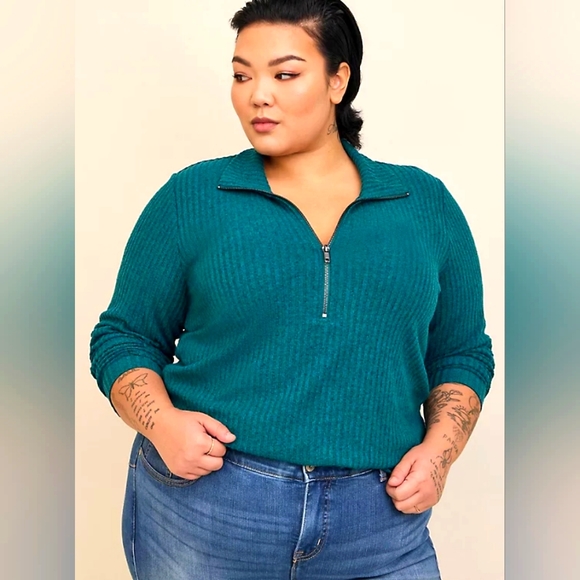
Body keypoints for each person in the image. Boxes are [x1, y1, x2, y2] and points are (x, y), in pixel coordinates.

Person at [89, 0, 495, 578]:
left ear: (338, 80)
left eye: (284, 74)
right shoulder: (194, 197)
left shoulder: (423, 204)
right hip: (210, 505)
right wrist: (162, 425)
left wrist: (440, 453)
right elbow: (124, 337)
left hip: (379, 520)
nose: (258, 95)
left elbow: (461, 352)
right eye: (241, 76)